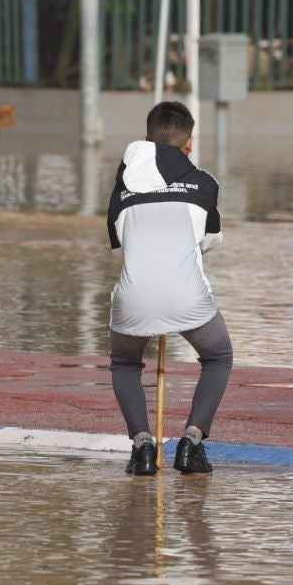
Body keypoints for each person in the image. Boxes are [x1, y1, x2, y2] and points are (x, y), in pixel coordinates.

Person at [105, 100, 233, 476]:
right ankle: (192, 443)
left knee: (125, 363)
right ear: (189, 143)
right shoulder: (205, 183)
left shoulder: (121, 188)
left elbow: (119, 251)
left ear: (146, 140)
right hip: (187, 296)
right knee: (218, 358)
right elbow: (209, 242)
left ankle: (143, 446)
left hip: (133, 298)